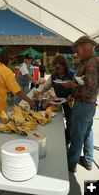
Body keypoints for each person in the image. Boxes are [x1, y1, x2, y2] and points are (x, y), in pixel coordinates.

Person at [62, 36, 98, 173]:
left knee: (77, 134)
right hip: (89, 105)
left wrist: (72, 86)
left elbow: (89, 90)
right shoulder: (89, 61)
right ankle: (88, 161)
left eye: (78, 50)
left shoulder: (91, 63)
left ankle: (71, 164)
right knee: (87, 131)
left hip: (84, 105)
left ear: (84, 47)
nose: (77, 53)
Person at [0, 46, 35, 137]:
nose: (12, 62)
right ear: (9, 58)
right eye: (13, 60)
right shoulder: (7, 71)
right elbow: (17, 91)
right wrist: (30, 101)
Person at [35, 55, 75, 145]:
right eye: (55, 68)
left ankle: (67, 141)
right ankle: (60, 139)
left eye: (58, 68)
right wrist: (38, 91)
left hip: (70, 102)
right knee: (57, 123)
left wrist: (71, 96)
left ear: (64, 65)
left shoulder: (72, 74)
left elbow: (78, 88)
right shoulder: (54, 75)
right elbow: (46, 86)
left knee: (71, 123)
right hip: (59, 102)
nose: (56, 70)